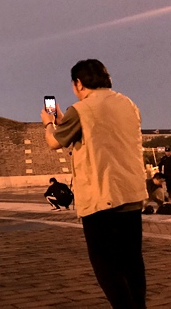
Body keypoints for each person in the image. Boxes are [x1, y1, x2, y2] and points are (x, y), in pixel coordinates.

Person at [40, 59, 147, 309]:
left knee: (105, 264)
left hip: (101, 197)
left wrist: (48, 122)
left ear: (78, 83)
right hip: (131, 193)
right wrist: (65, 120)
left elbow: (54, 141)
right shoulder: (128, 103)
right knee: (132, 261)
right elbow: (99, 133)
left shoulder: (81, 109)